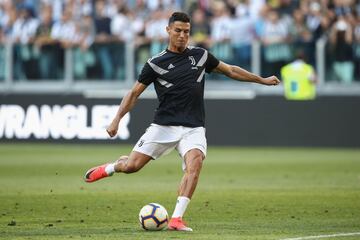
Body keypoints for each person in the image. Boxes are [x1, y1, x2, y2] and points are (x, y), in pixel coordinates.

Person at [84, 12, 280, 232]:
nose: (182, 35)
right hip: (164, 126)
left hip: (194, 127)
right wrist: (116, 120)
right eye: (178, 31)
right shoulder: (155, 63)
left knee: (195, 164)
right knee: (131, 166)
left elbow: (231, 70)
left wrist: (261, 80)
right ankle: (111, 167)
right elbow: (133, 93)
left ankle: (176, 219)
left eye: (186, 31)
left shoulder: (201, 56)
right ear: (168, 30)